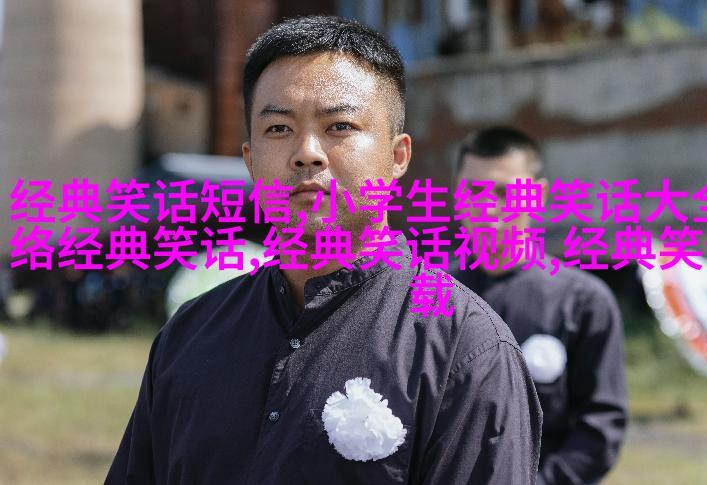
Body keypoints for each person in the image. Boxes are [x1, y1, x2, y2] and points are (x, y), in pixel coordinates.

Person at [106, 17, 542, 485]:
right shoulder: (190, 334)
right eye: (278, 128)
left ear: (398, 156)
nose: (307, 153)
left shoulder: (464, 348)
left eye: (339, 126)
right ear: (250, 160)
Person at [452, 127, 628, 485]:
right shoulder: (428, 297)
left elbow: (600, 426)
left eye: (504, 192)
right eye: (474, 190)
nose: (487, 207)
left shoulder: (583, 302)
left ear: (537, 195)